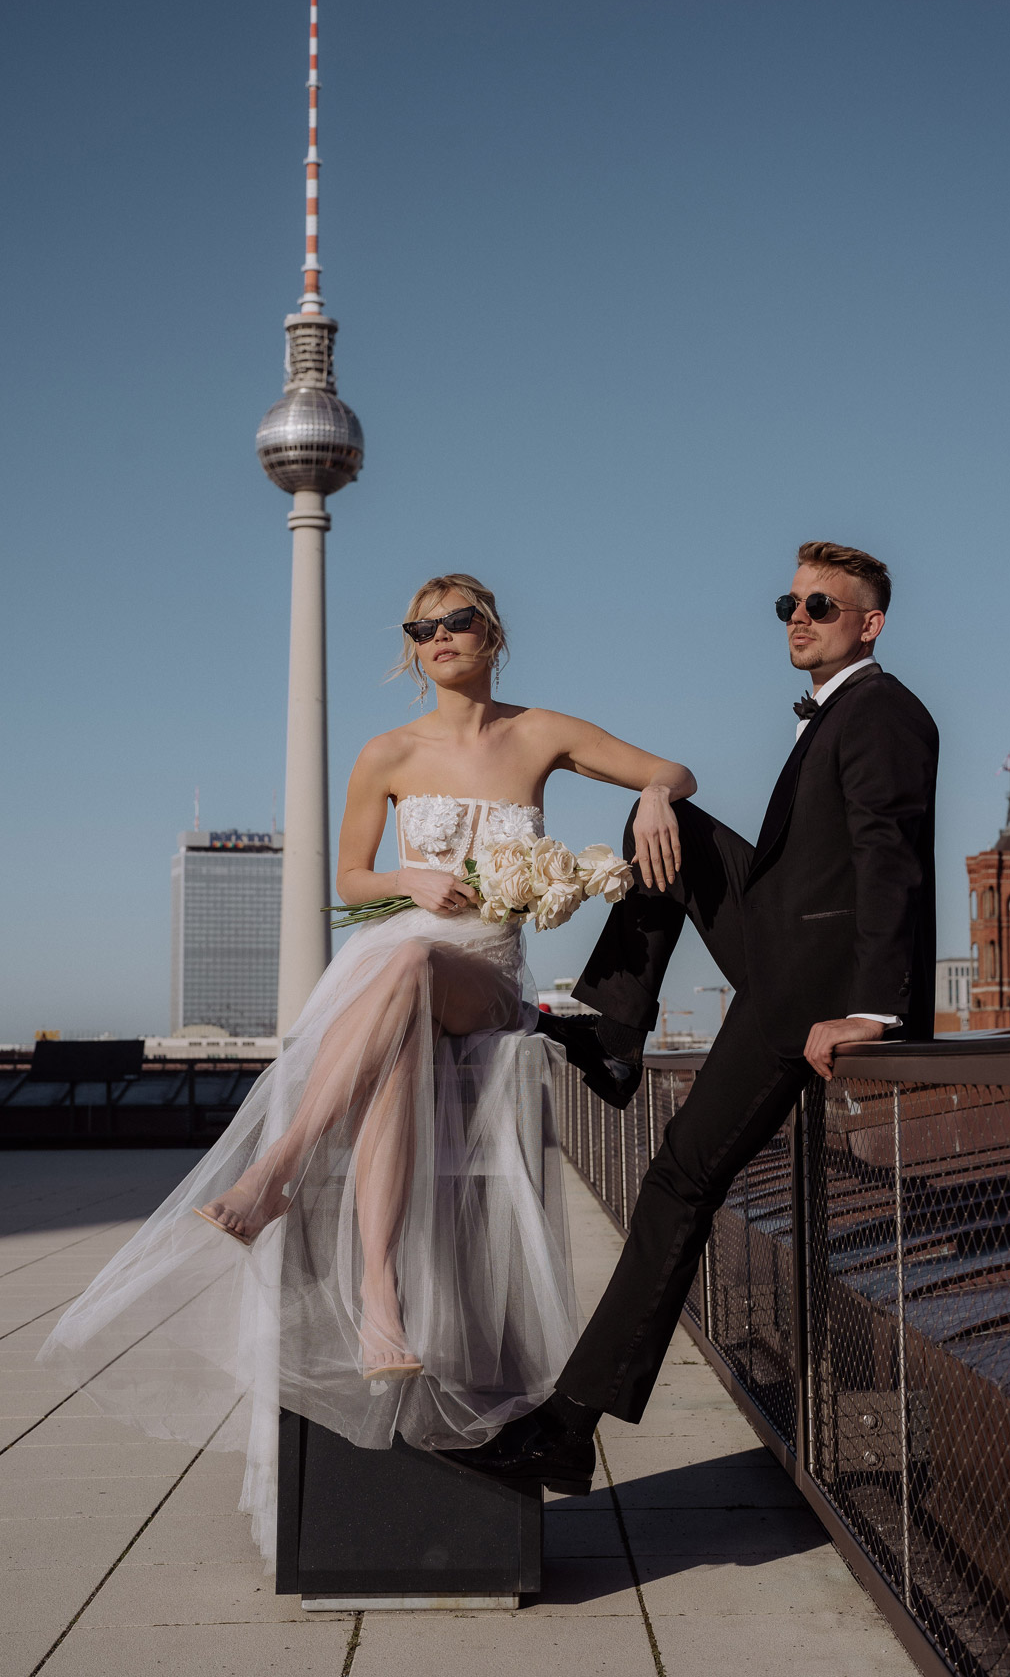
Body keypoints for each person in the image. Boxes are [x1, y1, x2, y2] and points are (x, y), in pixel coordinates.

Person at [40, 573, 695, 1559]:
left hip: (480, 979)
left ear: (492, 634)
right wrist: (402, 877)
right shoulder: (386, 752)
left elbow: (673, 769)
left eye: (454, 622)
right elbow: (347, 878)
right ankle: (380, 1307)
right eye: (419, 629)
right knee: (394, 1032)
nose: (437, 638)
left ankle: (273, 1175)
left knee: (412, 968)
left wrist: (651, 799)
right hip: (395, 968)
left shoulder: (542, 732)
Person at [449, 540, 938, 1496]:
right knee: (654, 821)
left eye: (823, 606)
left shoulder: (884, 712)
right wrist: (658, 794)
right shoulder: (833, 712)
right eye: (789, 603)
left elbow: (893, 861)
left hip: (808, 993)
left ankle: (568, 1423)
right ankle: (616, 1031)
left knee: (680, 1178)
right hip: (781, 945)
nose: (799, 616)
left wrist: (874, 1013)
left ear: (869, 623)